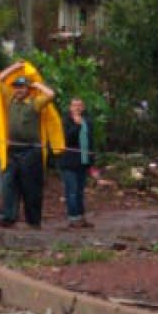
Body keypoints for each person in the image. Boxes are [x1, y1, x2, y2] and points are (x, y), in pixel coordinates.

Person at [0, 61, 65, 228]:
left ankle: (33, 221)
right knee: (9, 184)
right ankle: (8, 216)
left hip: (31, 151)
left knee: (31, 188)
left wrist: (37, 84)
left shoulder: (35, 102)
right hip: (12, 150)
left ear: (28, 89)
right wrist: (14, 67)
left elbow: (51, 95)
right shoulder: (9, 100)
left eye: (22, 87)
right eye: (16, 87)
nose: (19, 90)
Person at [59, 97, 95, 228]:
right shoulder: (65, 121)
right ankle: (73, 217)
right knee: (72, 190)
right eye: (74, 106)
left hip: (83, 161)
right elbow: (66, 138)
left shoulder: (88, 121)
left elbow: (90, 142)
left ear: (83, 108)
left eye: (80, 106)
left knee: (80, 191)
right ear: (70, 107)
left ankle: (81, 216)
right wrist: (76, 125)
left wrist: (91, 162)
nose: (77, 108)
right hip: (69, 161)